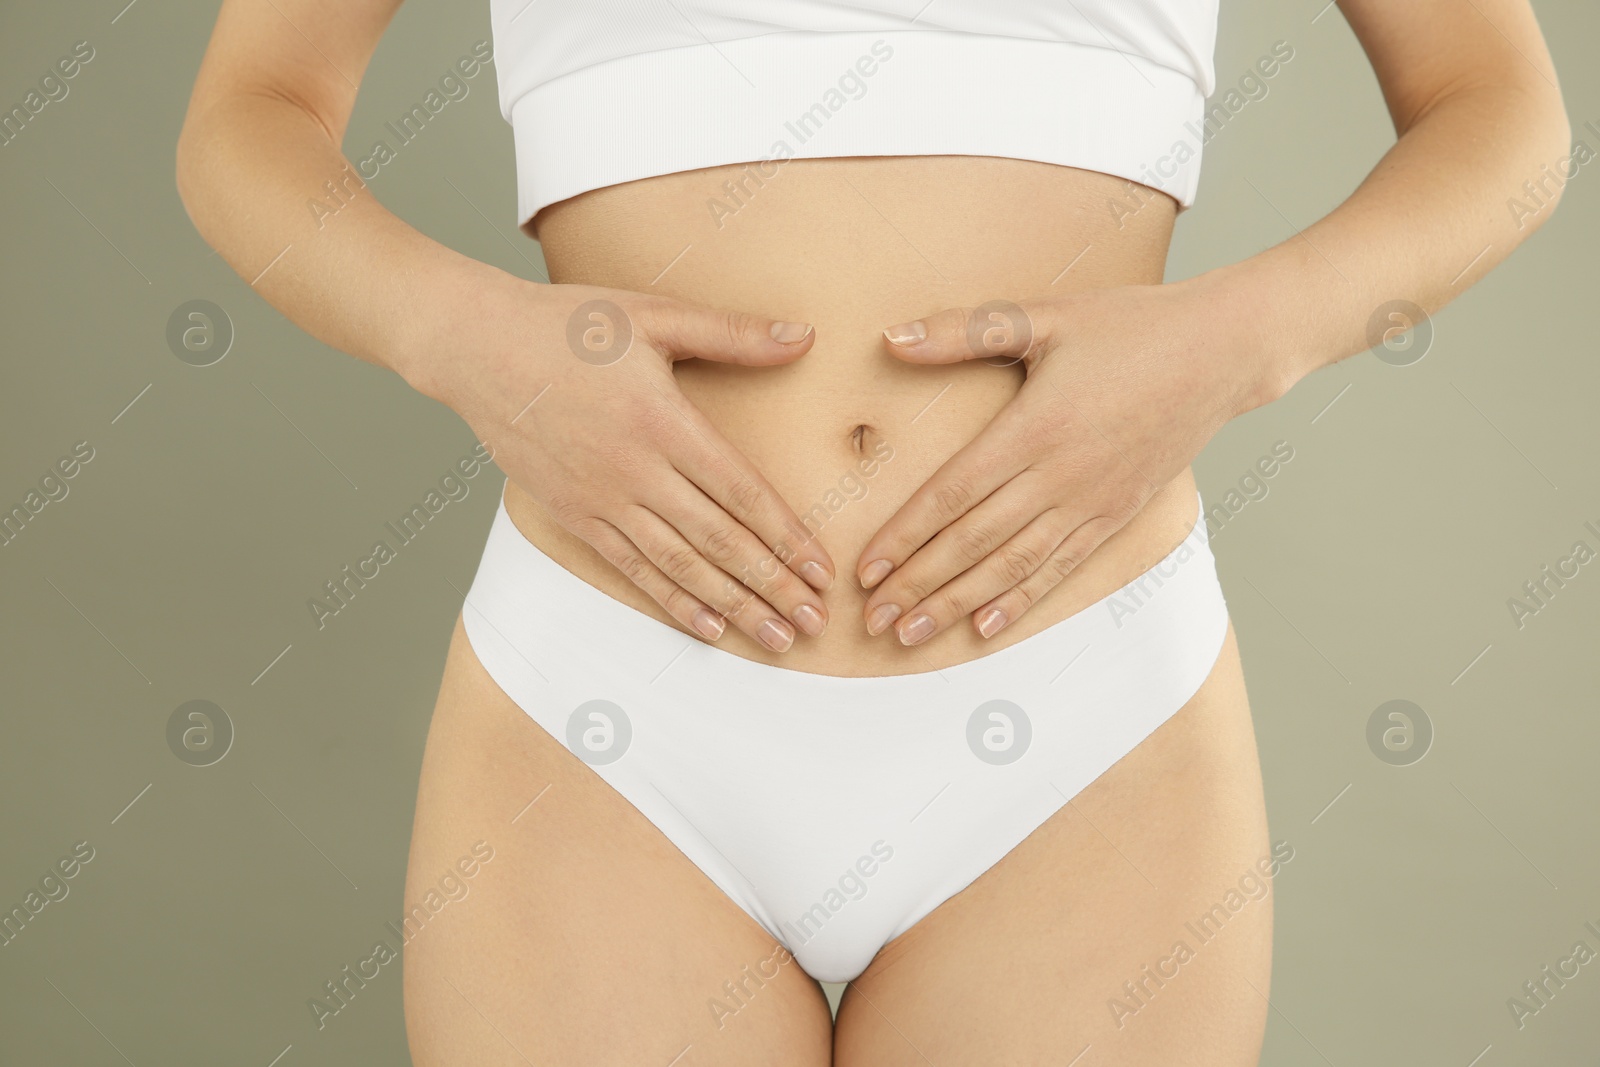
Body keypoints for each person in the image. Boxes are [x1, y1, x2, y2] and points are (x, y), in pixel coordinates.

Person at [176, 1, 1570, 1062]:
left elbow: (1502, 111)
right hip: (606, 705)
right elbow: (249, 112)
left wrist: (1232, 347)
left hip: (1085, 719)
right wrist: (468, 343)